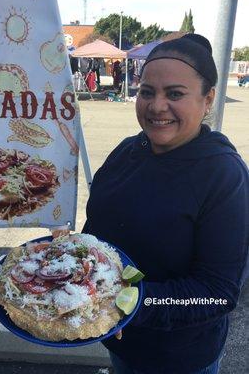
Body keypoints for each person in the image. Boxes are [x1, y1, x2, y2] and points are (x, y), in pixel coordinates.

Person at [82, 34, 249, 374]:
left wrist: (131, 304)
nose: (157, 106)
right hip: (117, 338)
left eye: (175, 94)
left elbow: (216, 294)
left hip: (179, 357)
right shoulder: (127, 151)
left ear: (208, 100)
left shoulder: (224, 176)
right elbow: (97, 234)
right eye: (147, 92)